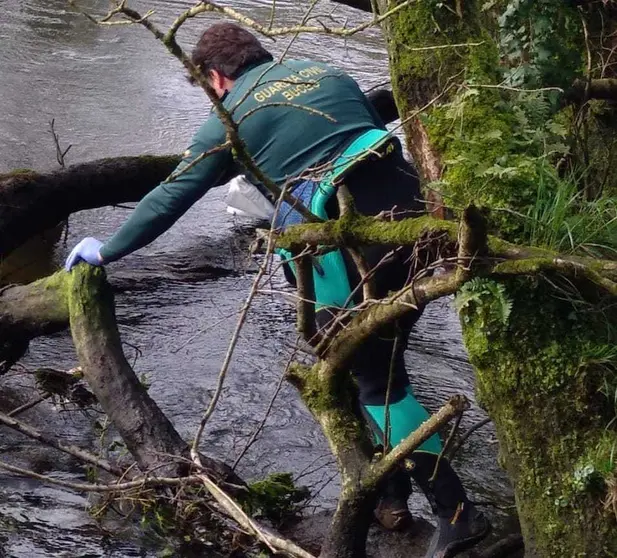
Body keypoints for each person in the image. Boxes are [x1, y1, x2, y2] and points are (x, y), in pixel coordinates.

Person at [65, 22, 490, 558]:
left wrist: (107, 250)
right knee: (380, 363)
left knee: (376, 383)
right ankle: (390, 491)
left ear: (217, 79)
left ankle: (457, 512)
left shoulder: (229, 115)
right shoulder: (325, 72)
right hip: (415, 222)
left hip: (350, 244)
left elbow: (175, 193)